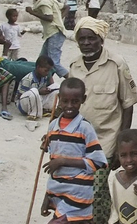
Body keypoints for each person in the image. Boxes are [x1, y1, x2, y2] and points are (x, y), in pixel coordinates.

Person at [69, 16, 137, 224]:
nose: (86, 43)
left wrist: (121, 142)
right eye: (82, 39)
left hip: (106, 143)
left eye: (91, 39)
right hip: (78, 141)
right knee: (78, 188)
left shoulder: (117, 64)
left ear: (101, 39)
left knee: (98, 190)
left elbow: (128, 104)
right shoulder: (74, 66)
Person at [40, 78, 107, 224]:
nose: (69, 106)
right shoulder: (53, 126)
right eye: (65, 101)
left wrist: (63, 161)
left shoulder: (85, 128)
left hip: (78, 194)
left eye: (75, 101)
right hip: (59, 192)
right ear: (58, 100)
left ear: (83, 100)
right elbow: (55, 166)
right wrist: (48, 197)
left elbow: (98, 162)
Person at [26, 0, 70, 77]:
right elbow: (66, 7)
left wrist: (32, 13)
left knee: (54, 63)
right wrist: (59, 19)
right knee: (42, 60)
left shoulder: (44, 2)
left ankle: (73, 81)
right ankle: (46, 82)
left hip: (54, 33)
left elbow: (49, 17)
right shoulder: (51, 0)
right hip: (52, 33)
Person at [16, 56, 58, 120]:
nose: (47, 73)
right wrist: (39, 92)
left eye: (49, 71)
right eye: (46, 70)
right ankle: (34, 115)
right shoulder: (28, 79)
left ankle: (47, 109)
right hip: (24, 105)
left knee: (56, 87)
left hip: (37, 101)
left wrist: (47, 90)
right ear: (38, 67)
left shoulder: (44, 77)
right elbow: (21, 96)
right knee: (34, 91)